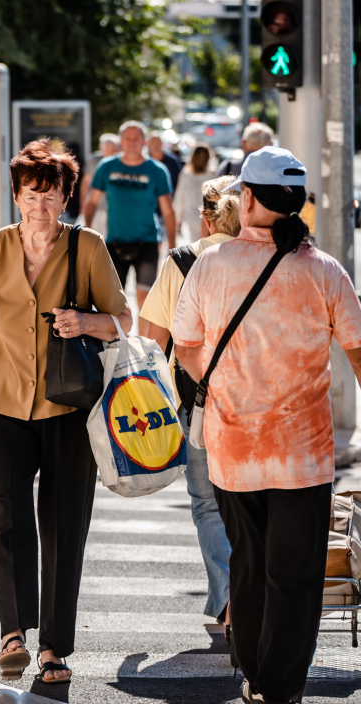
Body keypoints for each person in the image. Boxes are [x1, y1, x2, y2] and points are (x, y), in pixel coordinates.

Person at [172, 146, 361, 704]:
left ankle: (253, 671)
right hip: (304, 454)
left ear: (247, 198)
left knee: (247, 565)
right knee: (295, 577)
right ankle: (279, 687)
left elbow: (186, 345)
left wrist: (218, 386)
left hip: (233, 451)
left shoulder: (210, 265)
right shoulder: (323, 270)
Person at [0, 138, 132, 686]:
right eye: (28, 195)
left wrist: (83, 322)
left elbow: (124, 321)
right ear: (16, 195)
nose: (39, 207)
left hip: (68, 410)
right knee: (10, 519)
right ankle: (13, 635)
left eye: (49, 196)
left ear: (66, 196)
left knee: (65, 526)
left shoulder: (86, 248)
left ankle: (54, 649)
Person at [139, 175, 240, 634]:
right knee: (255, 501)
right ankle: (258, 594)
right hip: (256, 400)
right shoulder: (265, 258)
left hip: (196, 403)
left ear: (205, 215)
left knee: (206, 504)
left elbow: (150, 341)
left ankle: (229, 598)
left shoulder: (181, 262)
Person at [82, 121, 177, 334]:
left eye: (136, 139)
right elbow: (91, 202)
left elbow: (168, 211)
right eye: (127, 139)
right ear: (120, 141)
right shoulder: (107, 167)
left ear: (144, 142)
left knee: (145, 297)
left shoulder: (157, 170)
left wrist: (173, 248)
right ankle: (118, 344)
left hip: (148, 242)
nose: (132, 143)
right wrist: (87, 235)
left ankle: (142, 347)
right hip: (115, 242)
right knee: (115, 300)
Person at [172, 144, 215, 243]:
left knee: (194, 245)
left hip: (190, 216)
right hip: (208, 216)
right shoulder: (211, 174)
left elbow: (179, 196)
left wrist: (177, 216)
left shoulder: (186, 174)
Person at [79, 133, 120, 236]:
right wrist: (83, 205)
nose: (108, 151)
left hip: (112, 210)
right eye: (106, 148)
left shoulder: (120, 162)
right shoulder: (94, 160)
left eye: (111, 148)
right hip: (94, 207)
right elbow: (85, 183)